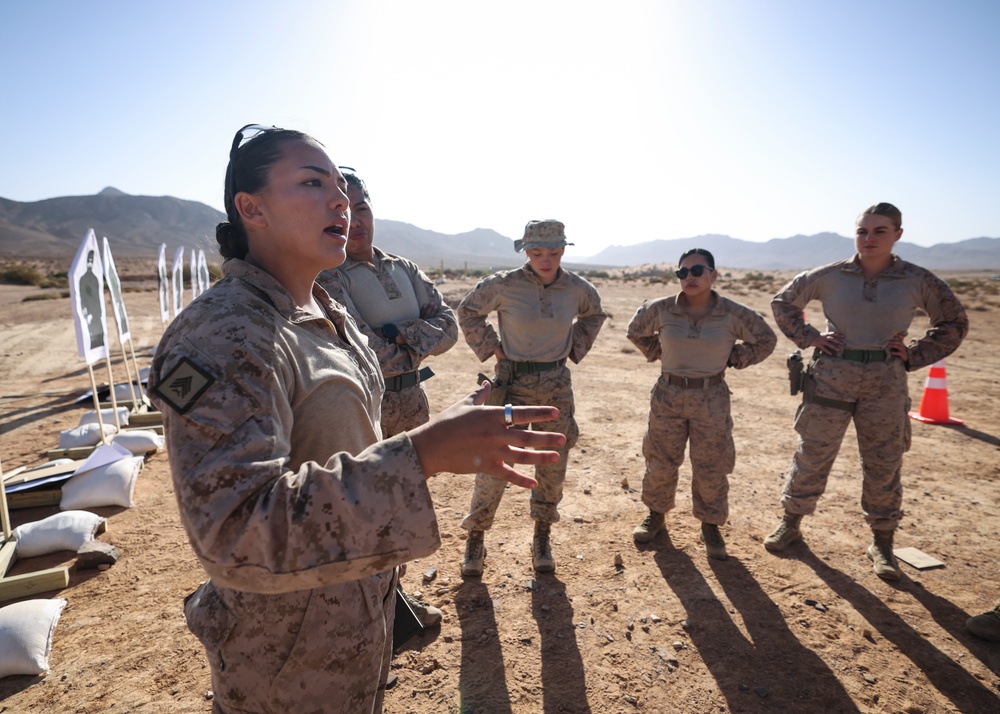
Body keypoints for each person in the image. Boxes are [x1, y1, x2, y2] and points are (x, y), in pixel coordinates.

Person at [147, 124, 566, 714]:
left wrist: (431, 436)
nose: (340, 199)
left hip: (354, 617)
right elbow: (233, 532)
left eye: (342, 187)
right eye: (313, 183)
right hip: (286, 656)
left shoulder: (328, 310)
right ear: (252, 208)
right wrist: (422, 453)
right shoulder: (222, 333)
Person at [763, 202, 968, 581]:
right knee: (813, 453)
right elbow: (782, 302)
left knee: (884, 463)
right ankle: (791, 523)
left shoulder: (916, 279)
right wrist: (810, 337)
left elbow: (953, 322)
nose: (869, 238)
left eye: (879, 231)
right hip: (832, 377)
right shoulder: (830, 275)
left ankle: (882, 542)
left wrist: (916, 354)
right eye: (862, 231)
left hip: (885, 382)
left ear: (898, 235)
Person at [316, 169, 458, 628]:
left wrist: (400, 334)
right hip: (367, 409)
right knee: (369, 512)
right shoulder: (330, 276)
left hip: (414, 406)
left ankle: (395, 603)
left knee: (405, 505)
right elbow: (364, 348)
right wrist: (417, 339)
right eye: (344, 209)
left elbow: (450, 327)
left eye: (362, 207)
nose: (355, 220)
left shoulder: (403, 268)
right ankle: (375, 616)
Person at [457, 219, 607, 576]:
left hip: (556, 385)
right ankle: (475, 538)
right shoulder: (504, 285)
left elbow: (594, 314)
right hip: (512, 385)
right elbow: (468, 312)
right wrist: (494, 350)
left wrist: (574, 347)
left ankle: (543, 534)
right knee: (495, 464)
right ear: (525, 251)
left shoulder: (577, 288)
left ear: (563, 251)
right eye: (537, 252)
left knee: (552, 462)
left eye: (554, 252)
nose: (546, 259)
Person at [627, 248, 776, 559]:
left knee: (711, 465)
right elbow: (635, 331)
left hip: (711, 397)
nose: (689, 277)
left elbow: (765, 339)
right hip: (668, 394)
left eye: (697, 271)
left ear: (713, 274)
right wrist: (658, 352)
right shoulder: (662, 309)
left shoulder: (733, 313)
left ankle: (710, 524)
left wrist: (736, 357)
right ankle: (656, 515)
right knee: (660, 460)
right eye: (683, 272)